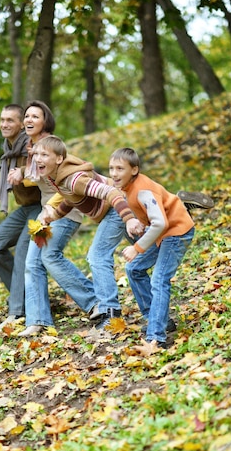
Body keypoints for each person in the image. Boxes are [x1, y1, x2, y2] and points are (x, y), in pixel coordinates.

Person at [19, 135, 145, 334]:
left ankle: (109, 314)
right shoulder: (58, 177)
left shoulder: (75, 178)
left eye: (44, 155)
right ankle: (172, 218)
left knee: (97, 256)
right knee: (149, 247)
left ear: (59, 159)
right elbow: (71, 200)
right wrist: (53, 216)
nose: (38, 159)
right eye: (36, 155)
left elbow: (112, 193)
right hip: (115, 209)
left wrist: (129, 218)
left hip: (118, 207)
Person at [7, 106, 99, 337]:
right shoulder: (34, 150)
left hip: (63, 211)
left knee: (49, 256)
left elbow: (81, 167)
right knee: (33, 264)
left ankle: (96, 301)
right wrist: (20, 174)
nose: (29, 119)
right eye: (26, 116)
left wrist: (52, 205)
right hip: (47, 214)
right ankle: (38, 320)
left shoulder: (52, 145)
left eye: (35, 116)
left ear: (45, 121)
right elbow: (38, 179)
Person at [109, 147, 195, 351]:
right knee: (134, 270)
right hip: (163, 234)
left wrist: (137, 248)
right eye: (111, 168)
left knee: (159, 279)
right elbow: (153, 219)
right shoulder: (128, 187)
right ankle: (158, 320)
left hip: (177, 232)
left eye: (120, 168)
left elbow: (161, 223)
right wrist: (141, 223)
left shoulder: (143, 190)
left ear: (134, 170)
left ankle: (156, 338)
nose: (114, 173)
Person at [0, 104, 42, 330]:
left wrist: (22, 176)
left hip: (41, 206)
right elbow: (6, 176)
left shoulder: (29, 146)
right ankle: (21, 293)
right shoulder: (8, 147)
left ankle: (17, 311)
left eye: (10, 120)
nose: (4, 124)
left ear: (21, 123)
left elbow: (37, 173)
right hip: (24, 208)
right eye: (2, 120)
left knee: (23, 251)